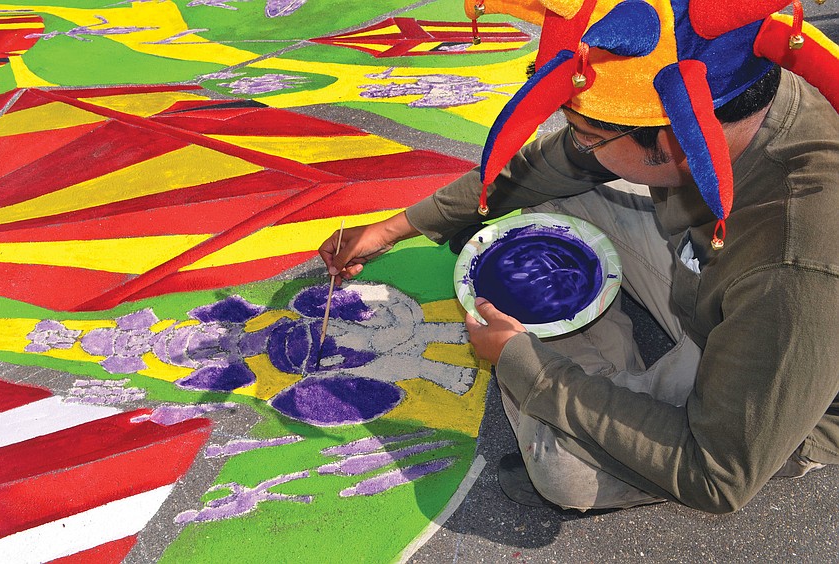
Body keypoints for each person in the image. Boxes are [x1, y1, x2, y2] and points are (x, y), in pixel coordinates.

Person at [318, 0, 839, 513]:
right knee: (545, 203)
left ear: (679, 139)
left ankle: (576, 388)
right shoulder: (738, 83)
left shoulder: (797, 266)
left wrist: (525, 366)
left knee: (559, 468)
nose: (577, 146)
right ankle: (595, 380)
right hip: (720, 280)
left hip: (781, 373)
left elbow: (716, 474)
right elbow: (554, 164)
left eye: (589, 138)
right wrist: (396, 227)